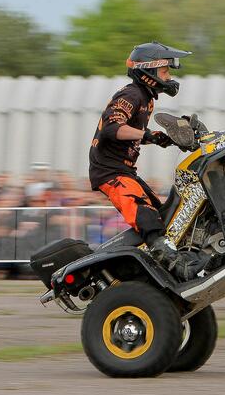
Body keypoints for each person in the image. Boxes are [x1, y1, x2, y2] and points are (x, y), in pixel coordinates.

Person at [89, 41, 208, 281]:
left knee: (163, 213)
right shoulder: (130, 94)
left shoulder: (147, 99)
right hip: (110, 172)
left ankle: (156, 264)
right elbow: (112, 129)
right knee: (145, 215)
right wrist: (146, 134)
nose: (169, 76)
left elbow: (129, 134)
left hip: (125, 170)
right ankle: (175, 267)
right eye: (165, 71)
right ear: (149, 71)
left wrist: (157, 139)